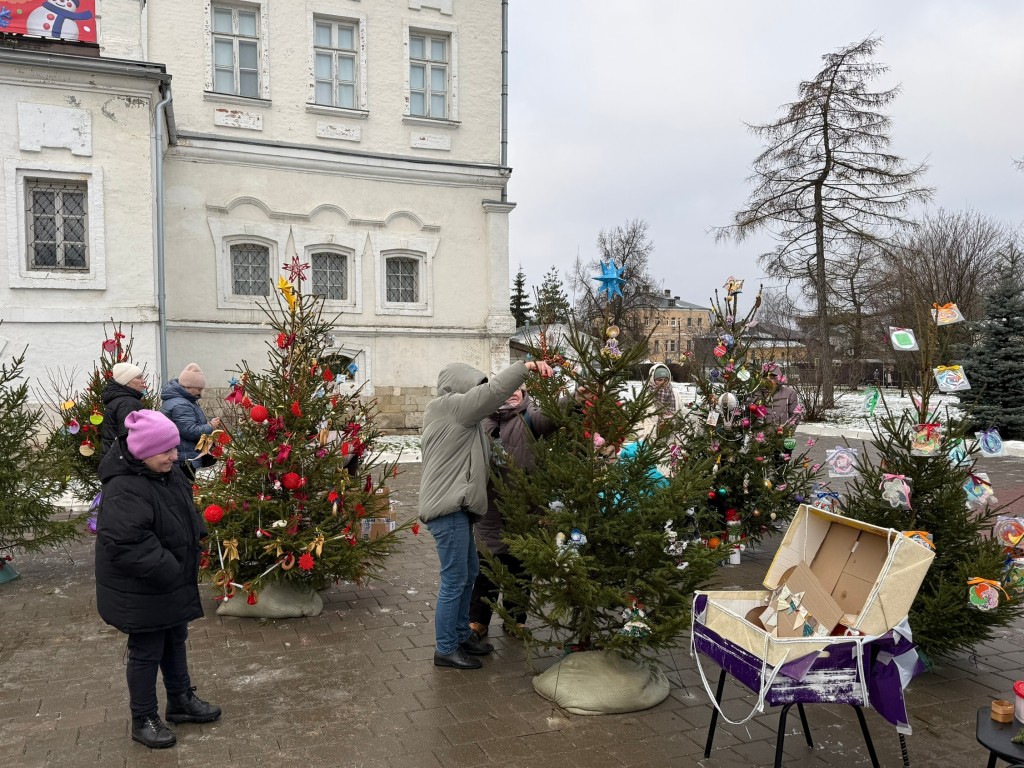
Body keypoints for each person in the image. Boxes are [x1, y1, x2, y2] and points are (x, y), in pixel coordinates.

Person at [95, 410, 221, 749]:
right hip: (142, 587)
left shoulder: (167, 473)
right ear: (143, 450)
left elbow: (185, 507)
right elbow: (126, 543)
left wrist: (199, 533)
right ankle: (143, 717)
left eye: (174, 448)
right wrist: (168, 567)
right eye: (166, 450)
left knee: (175, 637)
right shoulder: (124, 487)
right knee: (147, 650)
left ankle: (180, 699)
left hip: (169, 580)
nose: (173, 456)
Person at [419, 358, 553, 670]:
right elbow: (494, 393)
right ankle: (445, 649)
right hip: (448, 508)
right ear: (462, 386)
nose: (480, 393)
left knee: (468, 574)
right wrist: (527, 367)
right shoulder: (451, 406)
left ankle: (460, 636)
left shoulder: (463, 419)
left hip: (460, 507)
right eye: (476, 387)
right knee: (454, 579)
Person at [469, 385, 558, 638]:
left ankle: (516, 620)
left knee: (519, 565)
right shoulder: (483, 420)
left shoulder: (531, 415)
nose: (513, 393)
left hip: (523, 505)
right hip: (489, 504)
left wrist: (575, 398)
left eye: (518, 390)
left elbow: (551, 416)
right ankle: (478, 620)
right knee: (486, 565)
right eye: (508, 389)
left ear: (525, 393)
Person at [160, 363, 222, 480]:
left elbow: (190, 422)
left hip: (183, 455)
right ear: (188, 386)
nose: (200, 393)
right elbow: (188, 431)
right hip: (185, 459)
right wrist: (210, 426)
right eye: (199, 389)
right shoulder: (182, 404)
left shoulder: (181, 400)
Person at [101, 362, 147, 456]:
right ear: (127, 382)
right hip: (123, 462)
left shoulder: (120, 400)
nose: (143, 381)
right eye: (138, 377)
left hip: (113, 458)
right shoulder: (128, 403)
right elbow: (128, 438)